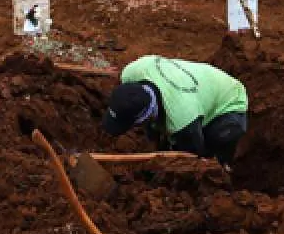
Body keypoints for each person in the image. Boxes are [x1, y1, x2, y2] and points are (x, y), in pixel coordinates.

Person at [102, 55, 249, 166]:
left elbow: (193, 160)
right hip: (200, 89)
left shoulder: (182, 118)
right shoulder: (132, 72)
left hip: (229, 102)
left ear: (145, 118)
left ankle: (225, 168)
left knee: (208, 154)